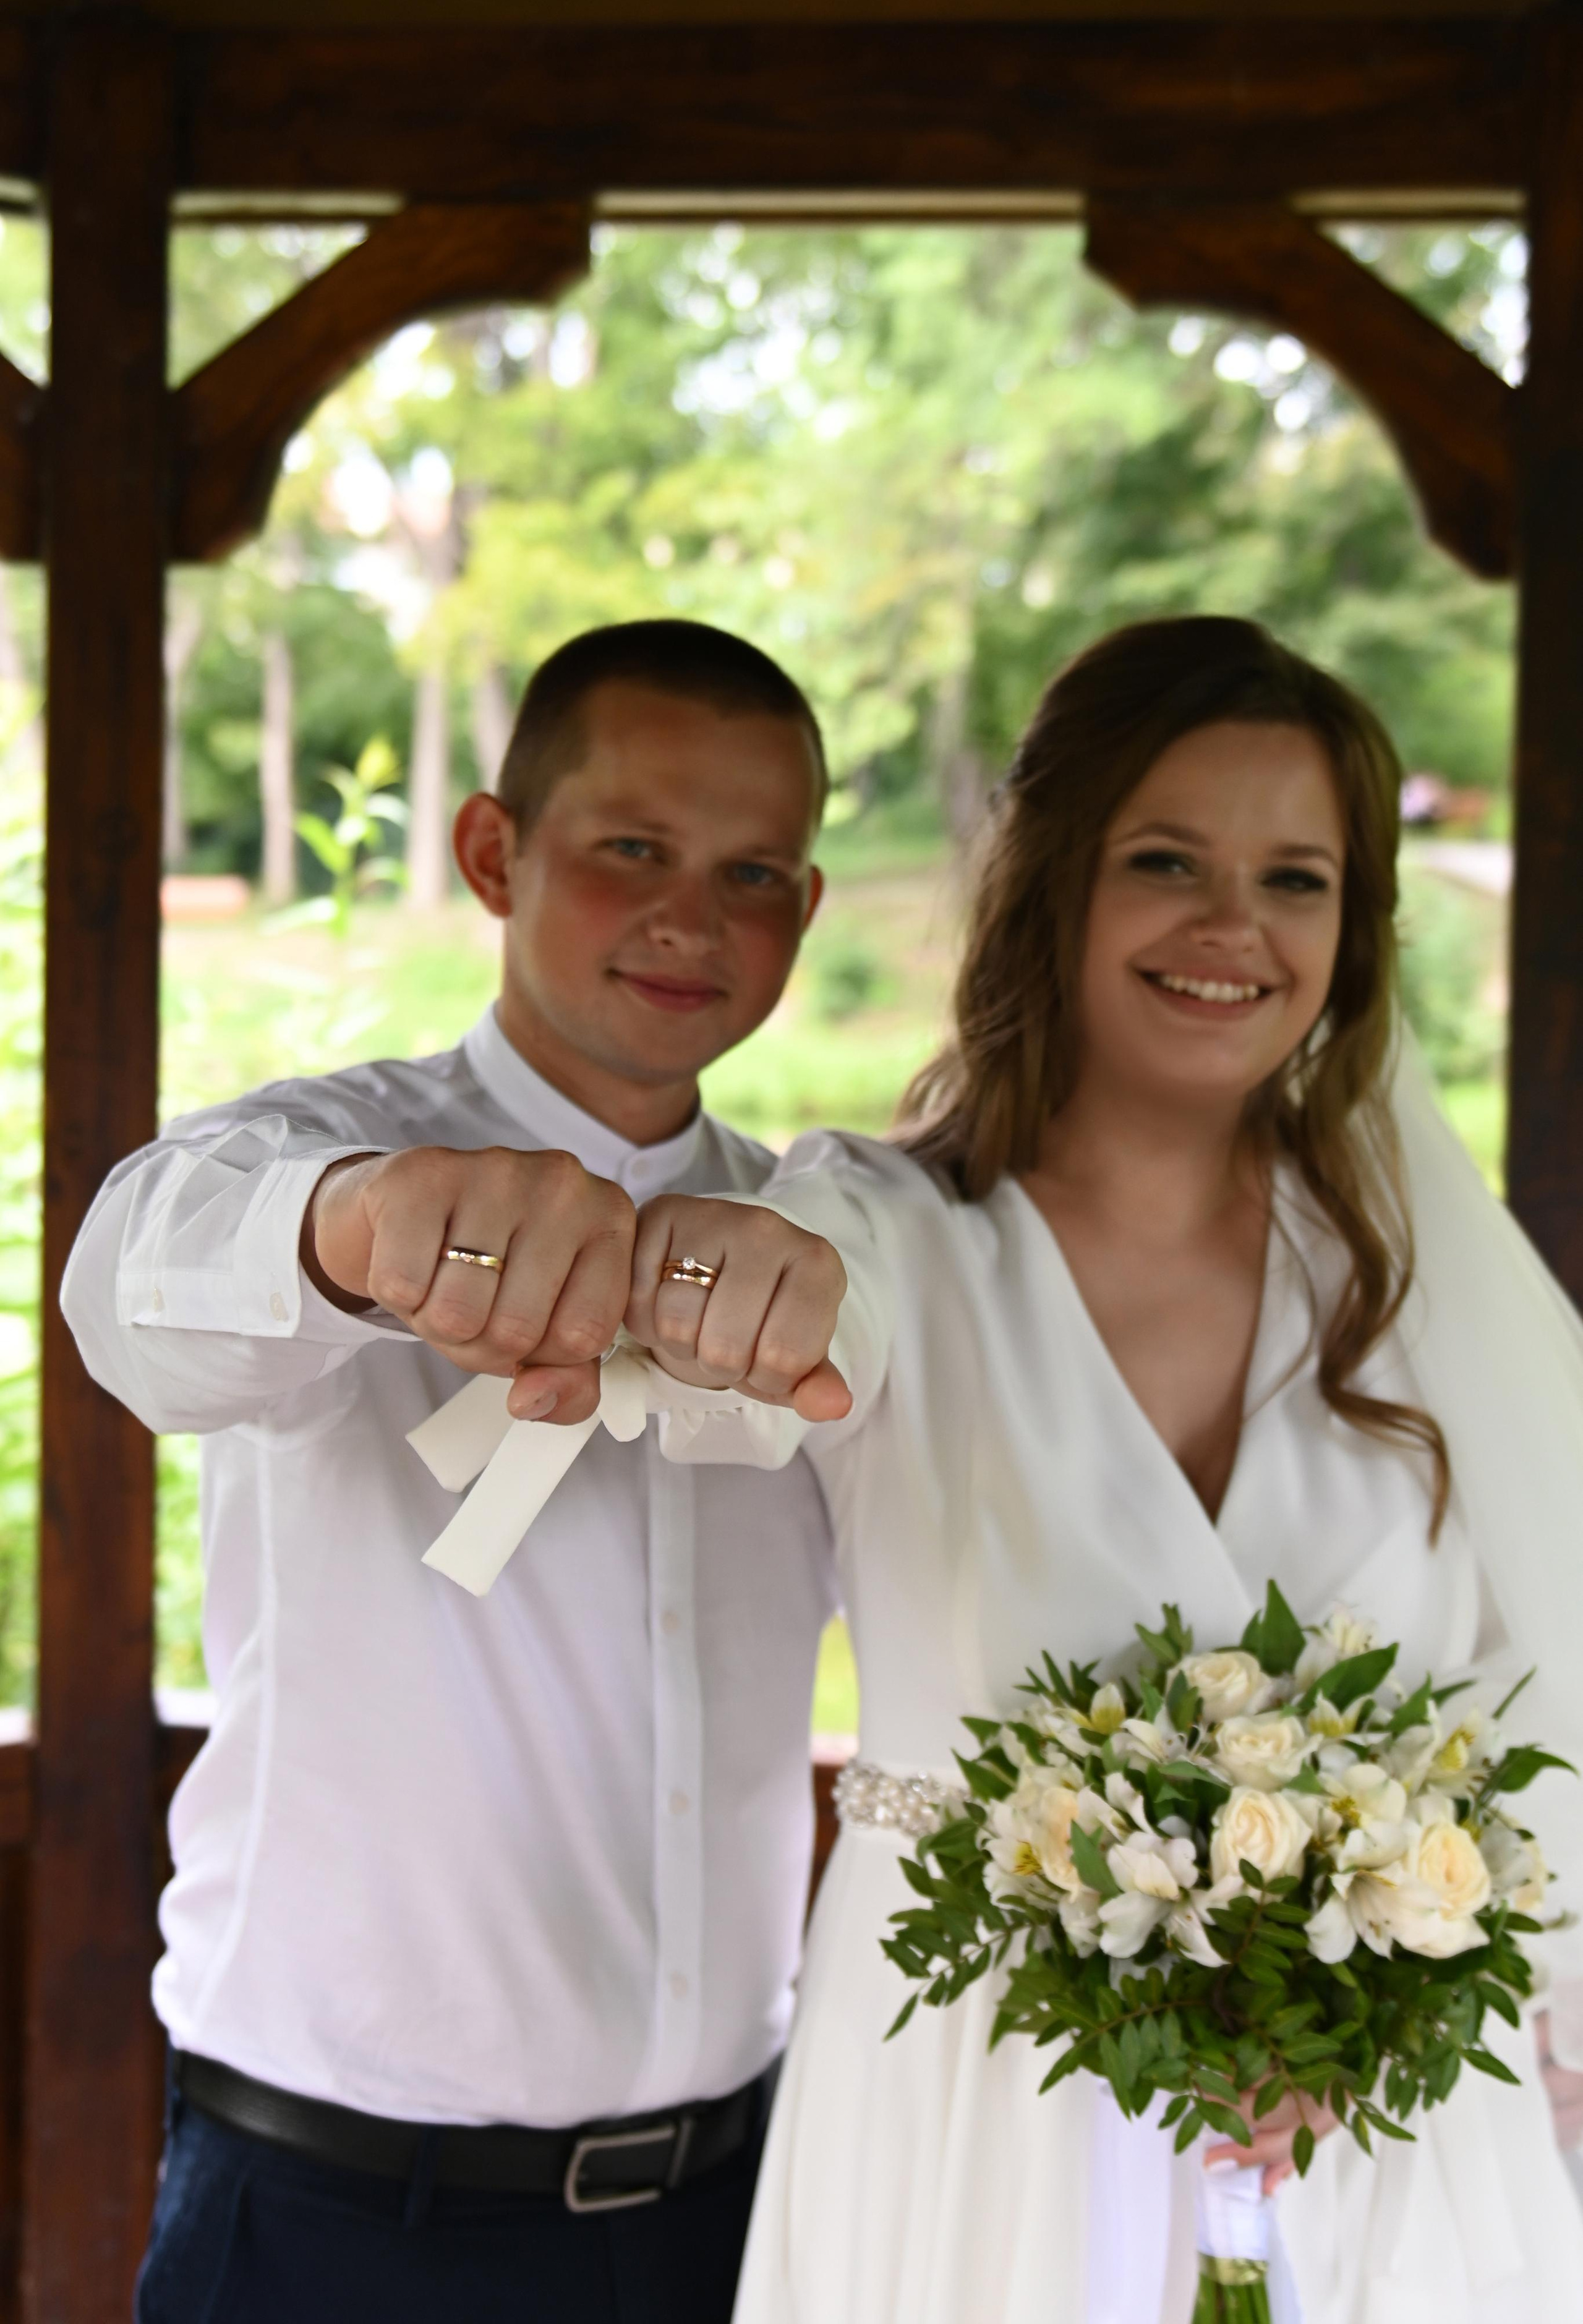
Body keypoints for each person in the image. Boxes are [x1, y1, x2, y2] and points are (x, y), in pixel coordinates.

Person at [618, 616, 1583, 2322]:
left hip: (1377, 2130)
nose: (1234, 929)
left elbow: (1554, 1694)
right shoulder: (881, 1233)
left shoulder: (1419, 1275)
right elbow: (720, 1365)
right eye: (1167, 862)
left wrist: (1413, 2009)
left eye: (1298, 879)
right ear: (1053, 882)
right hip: (977, 2122)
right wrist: (707, 1276)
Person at [61, 620, 840, 2324]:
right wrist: (357, 1235)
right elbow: (130, 1294)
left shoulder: (827, 1251)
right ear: (497, 852)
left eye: (754, 871)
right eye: (631, 847)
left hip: (737, 2210)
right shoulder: (312, 1157)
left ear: (809, 908)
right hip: (336, 2217)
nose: (689, 918)